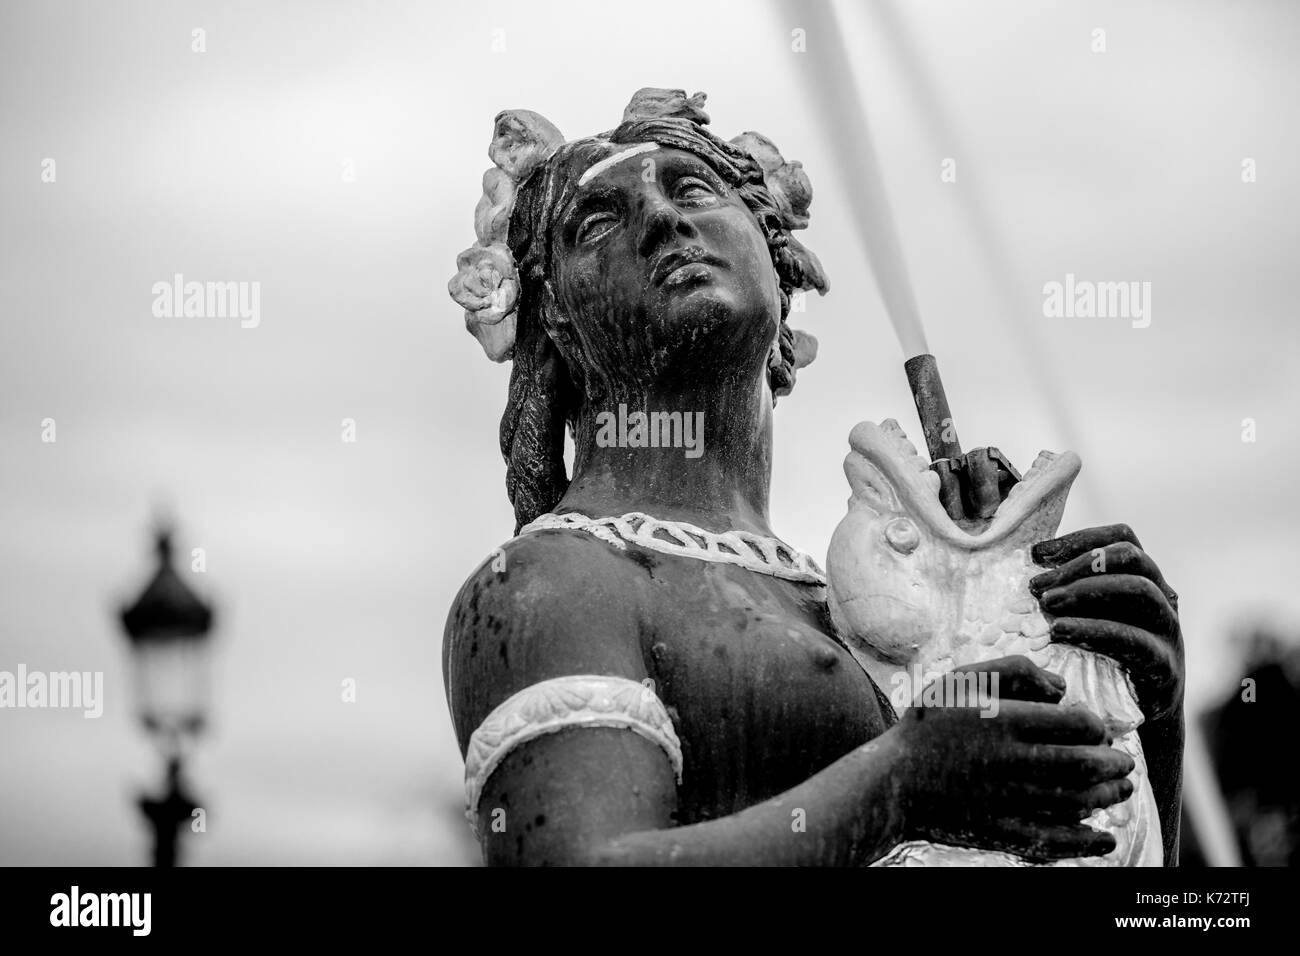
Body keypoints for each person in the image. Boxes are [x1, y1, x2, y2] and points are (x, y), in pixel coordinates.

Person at [444, 90, 1183, 866]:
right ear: (554, 317)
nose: (663, 219)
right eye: (598, 222)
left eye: (692, 188)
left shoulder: (848, 608)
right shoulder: (550, 581)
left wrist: (1144, 716)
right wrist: (899, 786)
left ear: (771, 252)